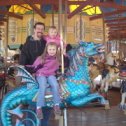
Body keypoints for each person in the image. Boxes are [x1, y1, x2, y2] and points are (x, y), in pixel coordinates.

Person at [19, 22, 52, 126]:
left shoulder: (45, 42)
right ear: (34, 29)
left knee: (48, 102)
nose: (40, 31)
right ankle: (30, 124)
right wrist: (29, 73)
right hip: (33, 76)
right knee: (33, 102)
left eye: (42, 29)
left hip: (46, 74)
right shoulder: (27, 44)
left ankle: (44, 123)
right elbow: (23, 61)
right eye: (38, 28)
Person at [26, 42, 61, 119]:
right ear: (47, 50)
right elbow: (34, 66)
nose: (52, 51)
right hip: (41, 74)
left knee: (55, 85)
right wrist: (28, 68)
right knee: (43, 86)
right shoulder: (41, 58)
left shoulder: (56, 59)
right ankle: (39, 107)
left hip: (50, 74)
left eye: (53, 49)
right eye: (50, 49)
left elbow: (57, 68)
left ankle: (56, 105)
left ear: (56, 50)